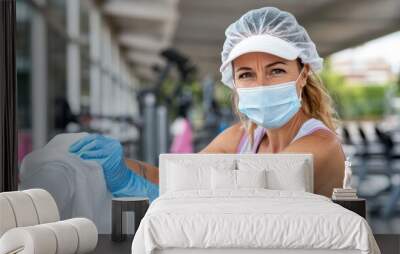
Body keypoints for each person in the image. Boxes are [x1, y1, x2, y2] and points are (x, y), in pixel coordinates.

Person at [69, 7, 345, 201]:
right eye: (247, 74)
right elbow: (178, 177)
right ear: (233, 83)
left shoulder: (321, 146)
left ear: (303, 73)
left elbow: (247, 202)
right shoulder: (240, 137)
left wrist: (135, 185)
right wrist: (122, 166)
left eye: (276, 71)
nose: (261, 85)